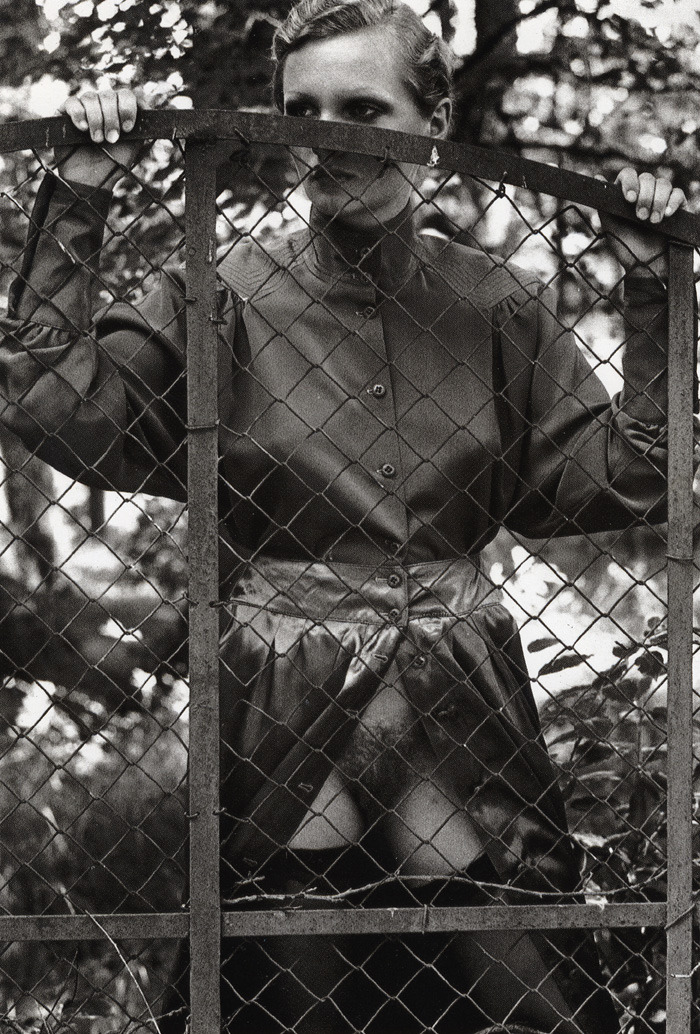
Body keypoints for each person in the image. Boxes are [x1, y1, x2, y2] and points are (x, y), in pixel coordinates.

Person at [0, 0, 691, 1030]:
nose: (323, 141)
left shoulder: (499, 302)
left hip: (456, 681)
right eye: (300, 111)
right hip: (282, 682)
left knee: (526, 985)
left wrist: (646, 282)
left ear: (429, 120)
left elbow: (623, 476)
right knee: (292, 987)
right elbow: (56, 404)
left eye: (358, 109)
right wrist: (79, 196)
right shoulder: (219, 295)